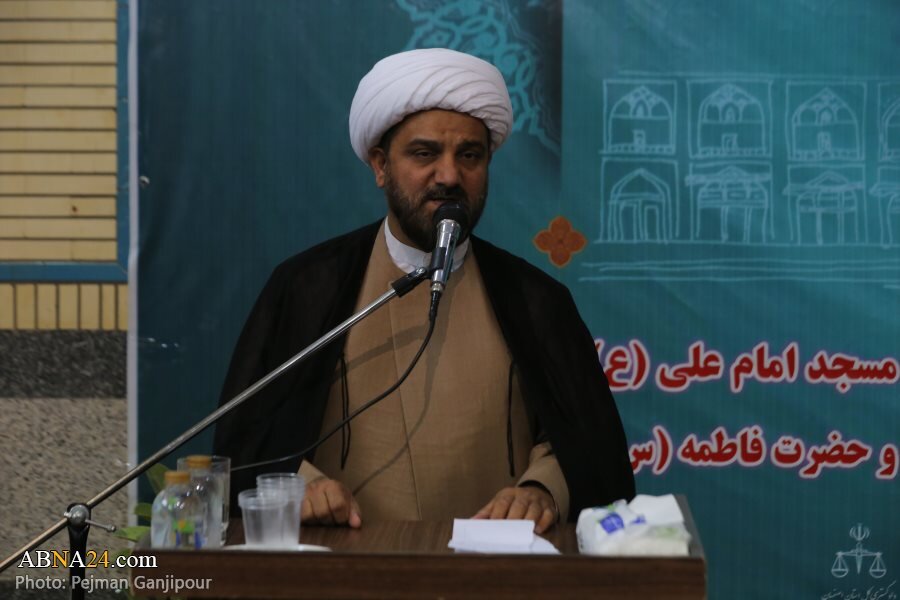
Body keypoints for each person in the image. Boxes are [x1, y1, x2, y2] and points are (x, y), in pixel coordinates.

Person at [213, 48, 635, 534]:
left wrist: (542, 491)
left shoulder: (536, 300)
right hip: (344, 565)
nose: (450, 176)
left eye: (469, 156)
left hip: (494, 568)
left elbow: (591, 452)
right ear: (380, 165)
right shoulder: (308, 287)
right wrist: (299, 484)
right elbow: (248, 440)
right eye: (424, 153)